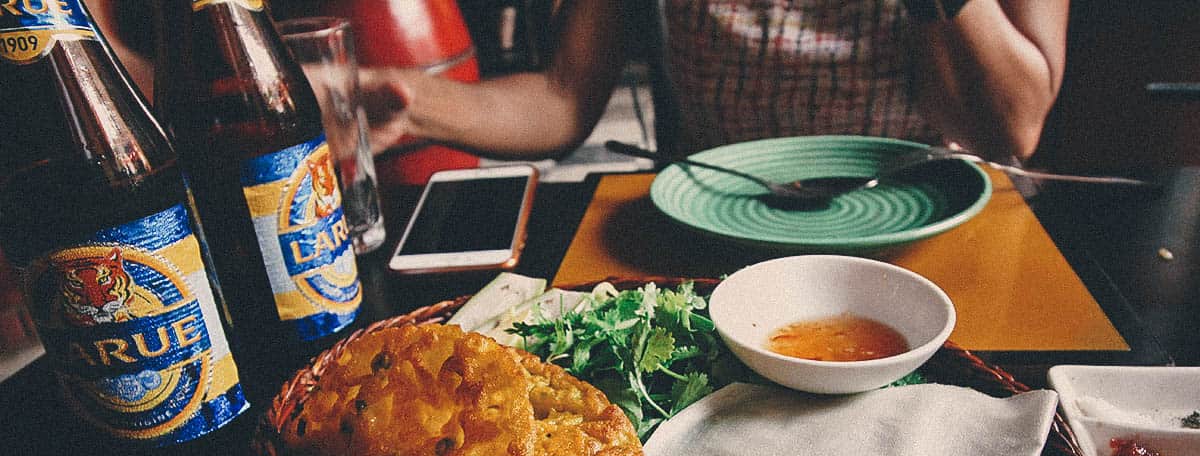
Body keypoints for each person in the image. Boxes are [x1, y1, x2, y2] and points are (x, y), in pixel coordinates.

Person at [358, 0, 1068, 163]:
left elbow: (1011, 129)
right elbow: (563, 98)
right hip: (704, 250)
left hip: (922, 238)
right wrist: (408, 105)